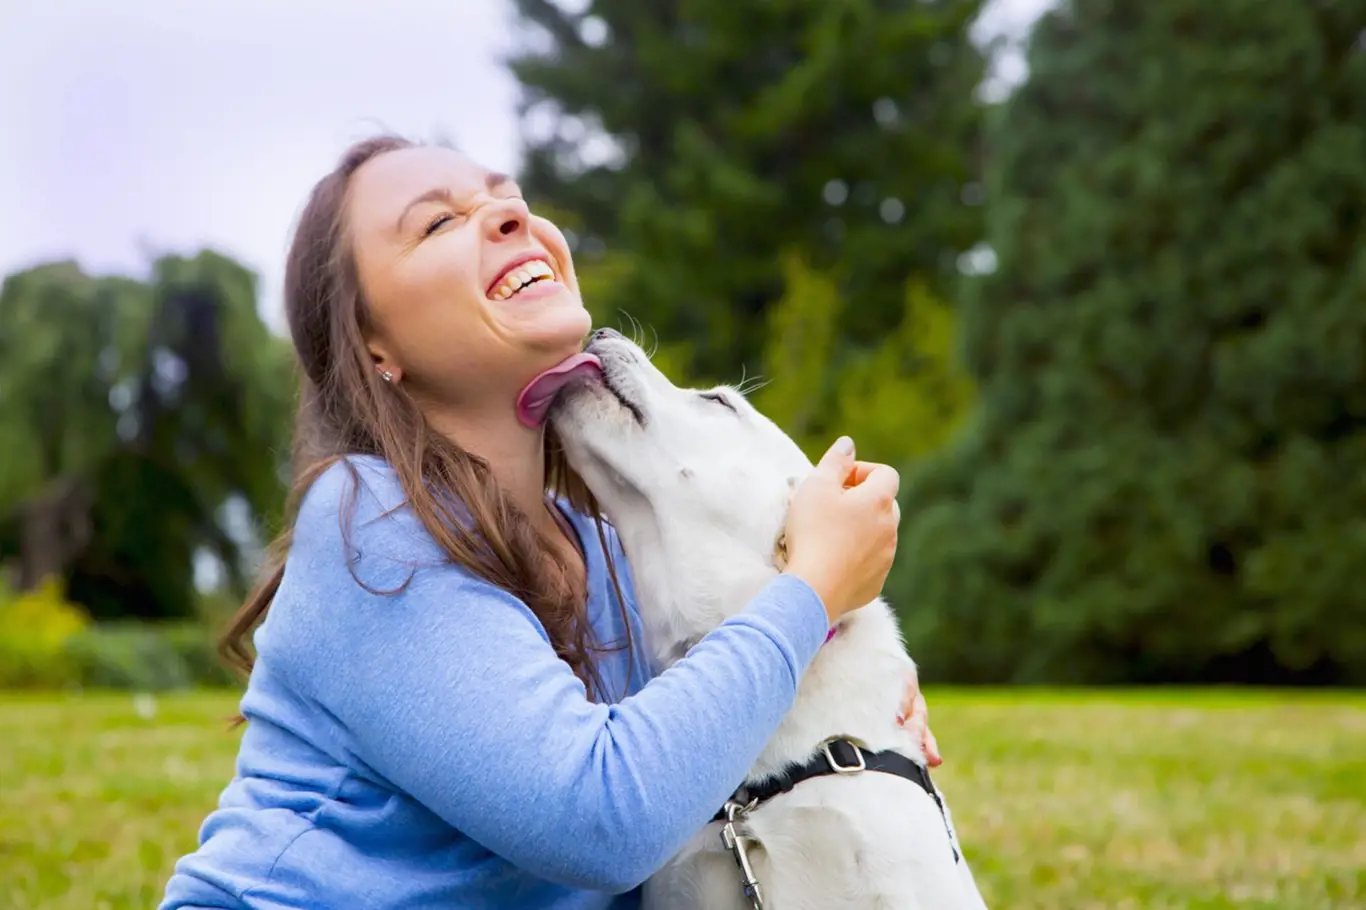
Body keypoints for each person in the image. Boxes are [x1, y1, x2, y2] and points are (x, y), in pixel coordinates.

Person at [159, 135, 942, 910]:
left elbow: (688, 744)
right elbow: (601, 821)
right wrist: (811, 591)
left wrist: (847, 716)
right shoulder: (369, 523)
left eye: (511, 200)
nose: (508, 218)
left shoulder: (607, 552)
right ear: (372, 344)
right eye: (436, 224)